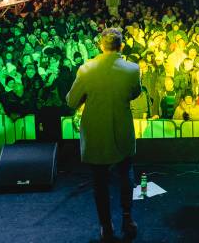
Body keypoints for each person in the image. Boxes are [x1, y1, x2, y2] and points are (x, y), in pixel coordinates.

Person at [66, 28, 141, 241]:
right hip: (122, 130)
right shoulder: (132, 69)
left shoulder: (86, 69)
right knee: (126, 175)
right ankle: (127, 219)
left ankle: (105, 227)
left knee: (99, 181)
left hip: (96, 132)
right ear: (122, 46)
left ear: (101, 46)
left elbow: (71, 101)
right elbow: (135, 93)